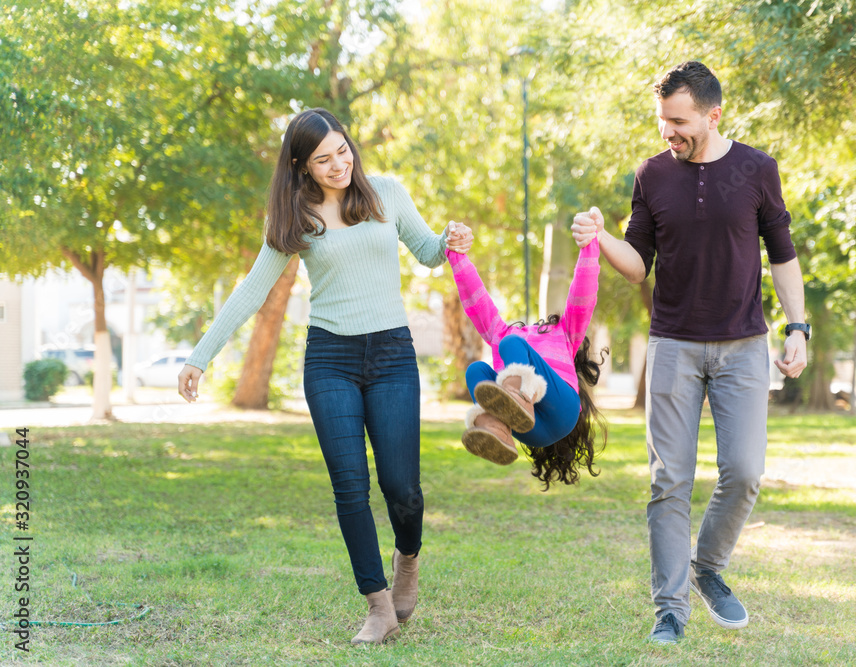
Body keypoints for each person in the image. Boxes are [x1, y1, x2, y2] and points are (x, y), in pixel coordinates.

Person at [176, 108, 473, 645]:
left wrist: (451, 236)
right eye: (323, 159)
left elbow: (429, 253)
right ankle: (378, 607)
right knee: (350, 487)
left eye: (342, 150)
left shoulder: (386, 193)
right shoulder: (295, 218)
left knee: (402, 487)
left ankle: (408, 558)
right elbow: (252, 290)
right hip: (330, 359)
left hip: (392, 356)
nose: (339, 164)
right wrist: (201, 355)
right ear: (301, 166)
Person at [572, 61, 808, 645]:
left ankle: (707, 567)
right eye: (662, 122)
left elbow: (782, 254)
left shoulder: (757, 169)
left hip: (745, 345)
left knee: (745, 472)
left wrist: (798, 326)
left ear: (713, 114)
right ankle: (670, 610)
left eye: (679, 122)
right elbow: (636, 265)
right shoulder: (652, 174)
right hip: (673, 344)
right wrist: (599, 238)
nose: (668, 132)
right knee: (668, 480)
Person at [445, 228, 606, 489]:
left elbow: (582, 298)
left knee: (510, 344)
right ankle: (496, 430)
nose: (533, 330)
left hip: (561, 409)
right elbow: (477, 302)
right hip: (531, 430)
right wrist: (457, 257)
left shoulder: (564, 333)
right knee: (475, 370)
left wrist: (590, 247)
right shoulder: (503, 335)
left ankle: (518, 397)